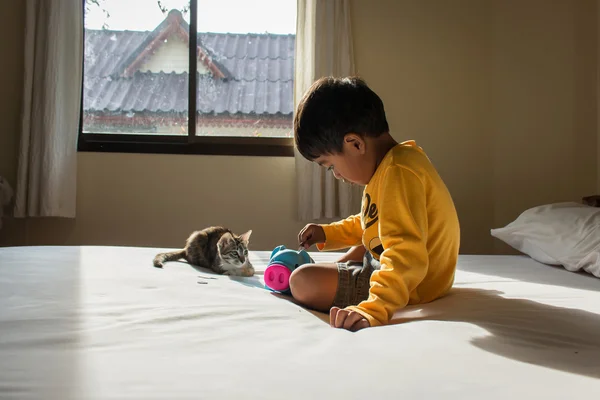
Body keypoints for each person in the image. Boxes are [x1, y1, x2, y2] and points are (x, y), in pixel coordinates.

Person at [290, 76, 460, 332]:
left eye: (331, 166)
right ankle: (346, 269)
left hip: (413, 283)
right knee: (358, 249)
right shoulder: (394, 164)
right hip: (406, 269)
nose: (336, 175)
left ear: (355, 144)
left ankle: (351, 277)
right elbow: (369, 223)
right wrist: (328, 232)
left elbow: (406, 256)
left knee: (302, 280)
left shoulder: (398, 173)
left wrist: (373, 309)